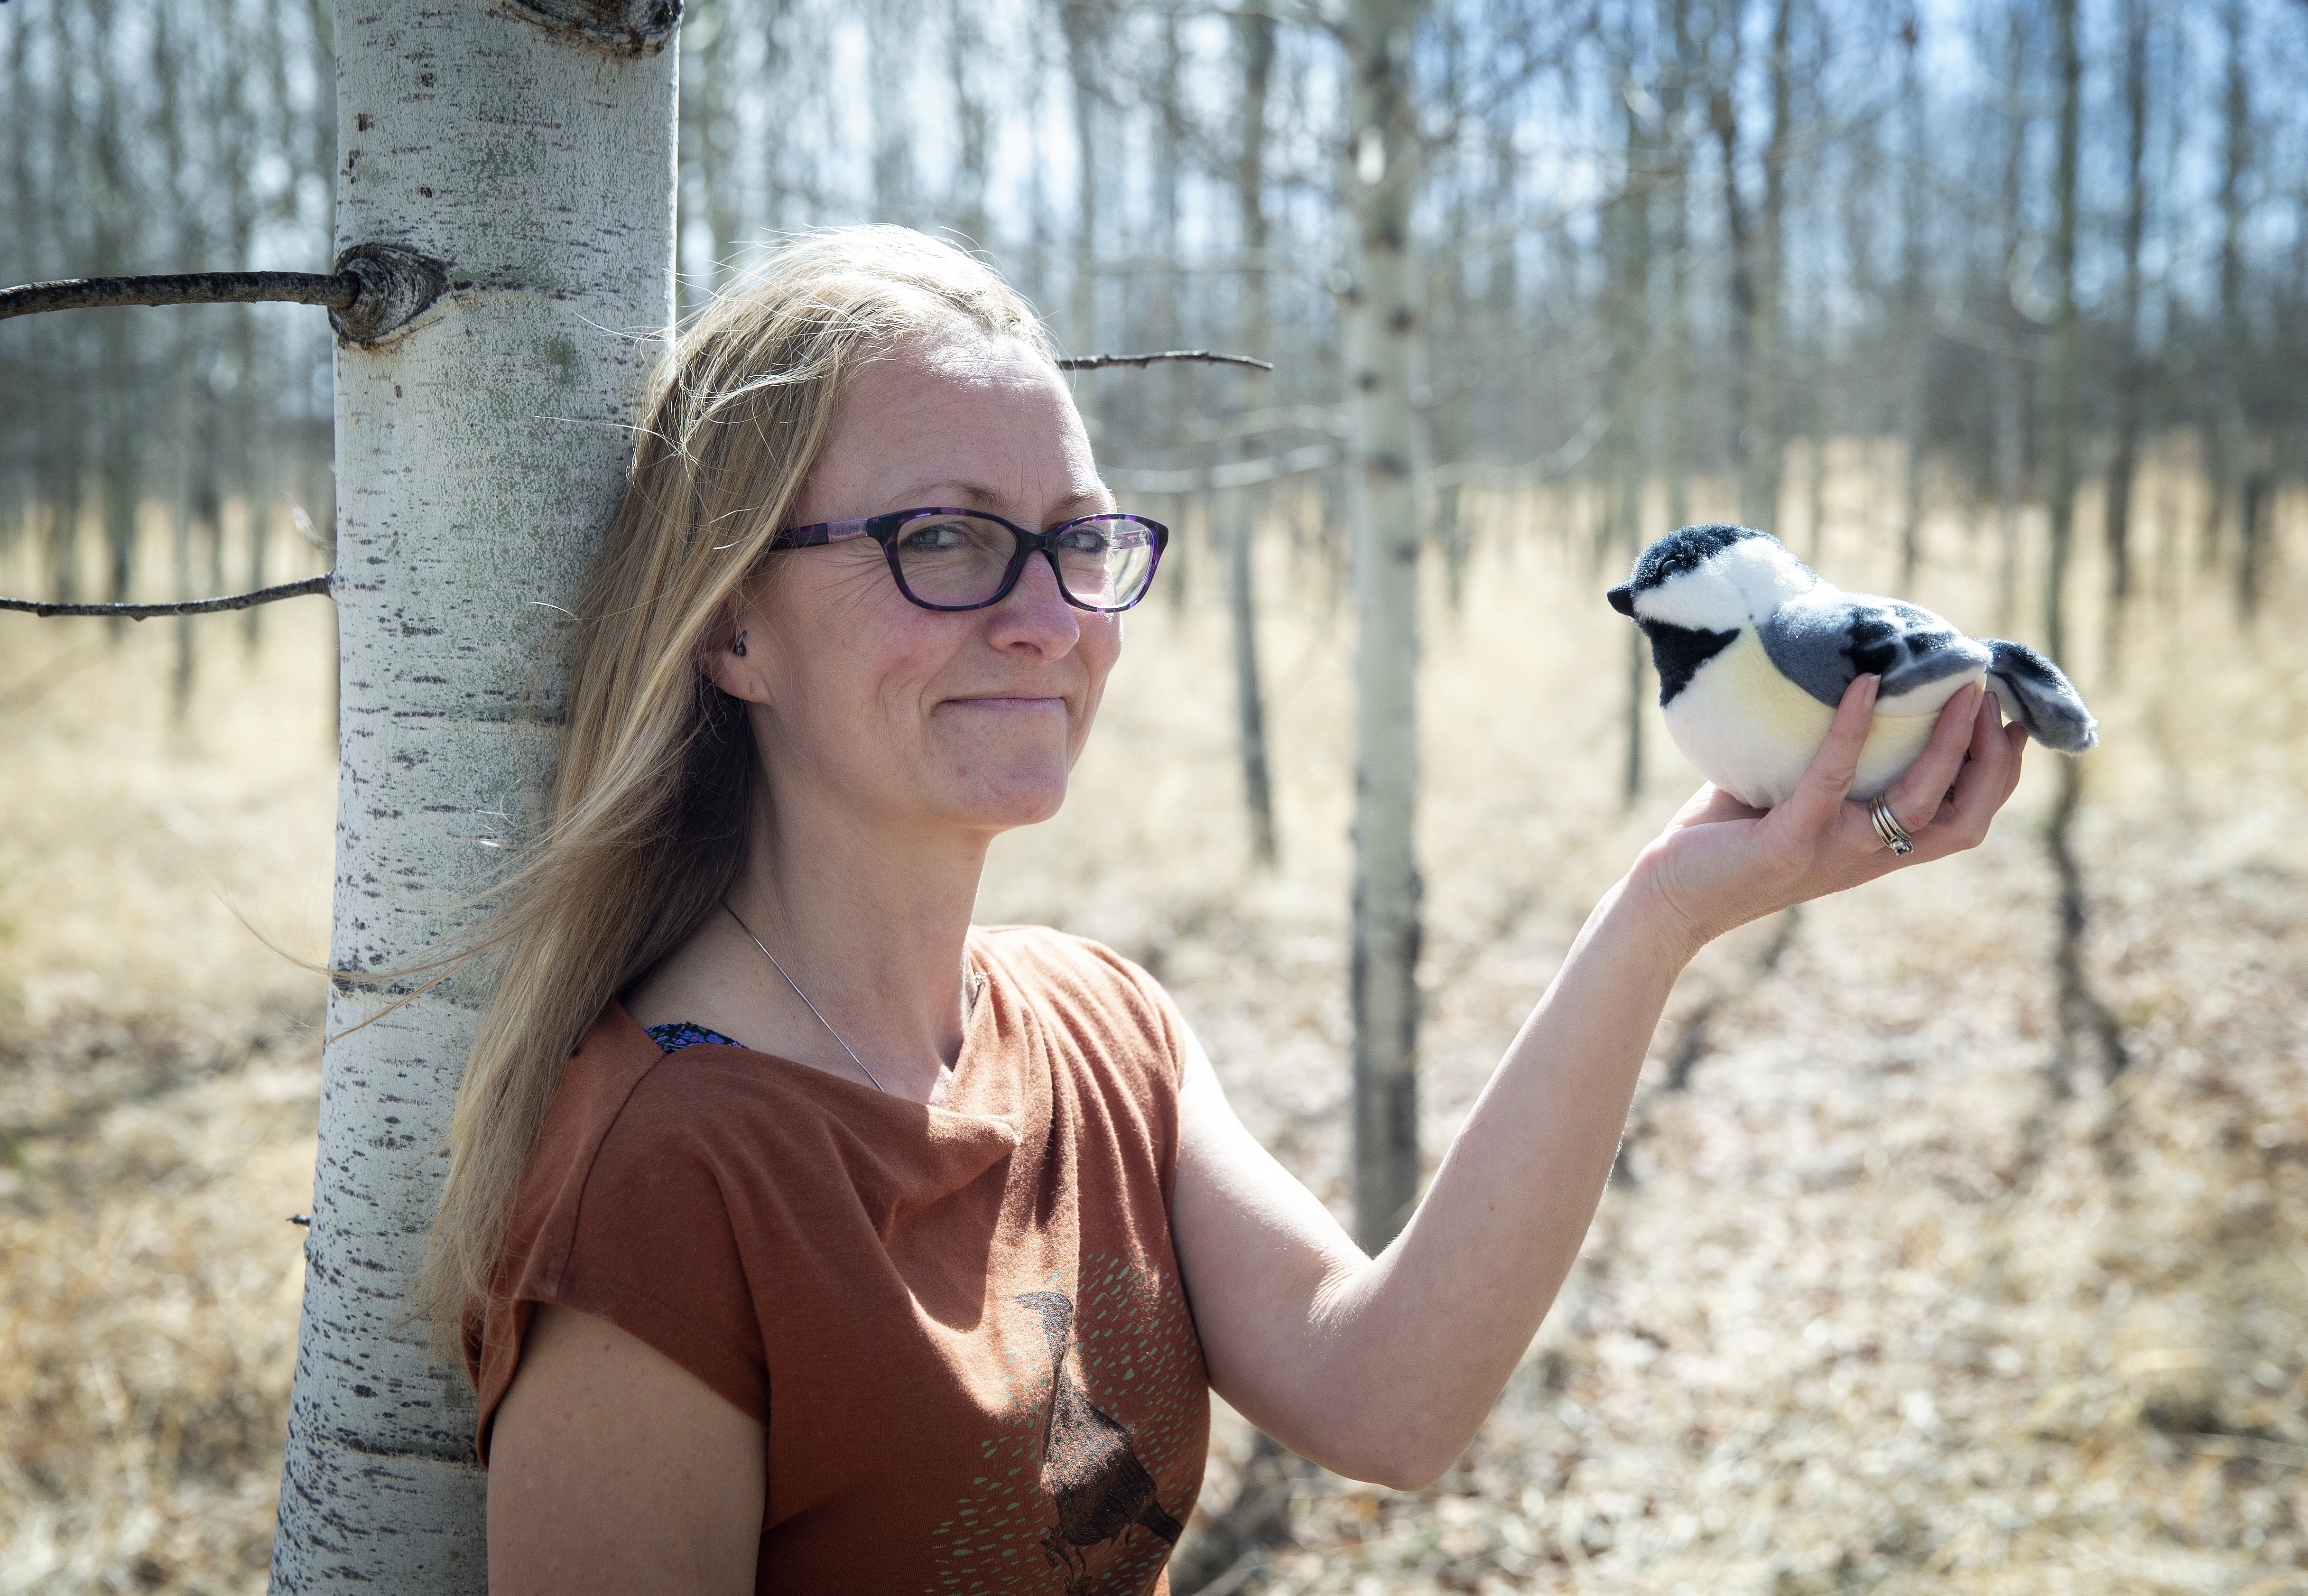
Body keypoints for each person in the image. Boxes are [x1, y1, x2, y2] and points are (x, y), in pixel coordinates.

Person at [423, 227, 2026, 1596]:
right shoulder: (663, 1179)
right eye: (945, 540)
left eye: (1077, 539)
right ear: (729, 630)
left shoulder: (1096, 1026)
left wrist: (1660, 914)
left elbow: (1385, 1397)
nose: (1051, 617)